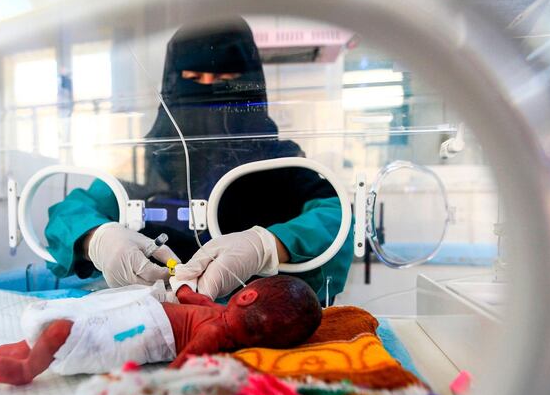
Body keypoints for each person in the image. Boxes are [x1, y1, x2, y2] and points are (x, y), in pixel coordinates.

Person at [44, 17, 354, 300]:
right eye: (193, 78)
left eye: (225, 80)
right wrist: (97, 239)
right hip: (156, 311)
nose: (207, 90)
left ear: (251, 83)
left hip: (257, 313)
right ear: (171, 84)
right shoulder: (150, 161)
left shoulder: (278, 162)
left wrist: (268, 246)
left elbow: (335, 215)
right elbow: (71, 213)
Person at [0, 275, 322, 385]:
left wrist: (157, 385)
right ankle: (27, 347)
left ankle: (28, 369)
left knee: (64, 331)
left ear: (246, 295)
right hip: (141, 316)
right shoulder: (221, 319)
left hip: (141, 332)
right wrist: (185, 290)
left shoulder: (217, 333)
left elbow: (185, 363)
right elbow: (197, 299)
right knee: (72, 320)